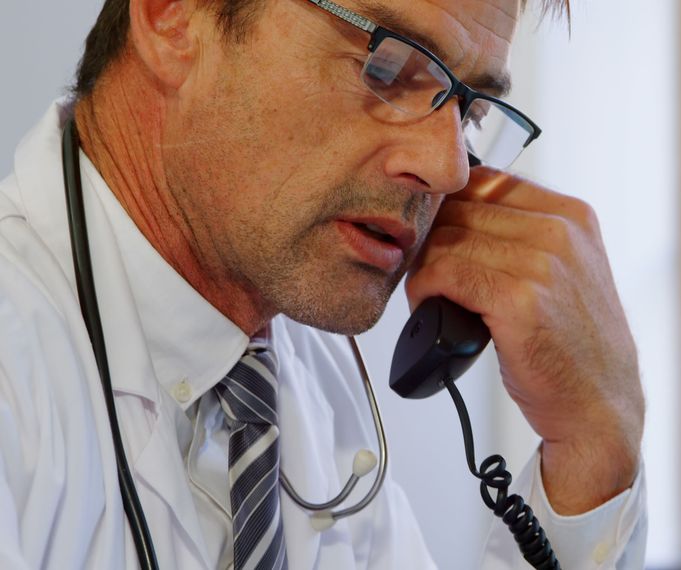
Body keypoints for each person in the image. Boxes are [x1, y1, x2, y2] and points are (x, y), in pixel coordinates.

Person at [0, 0, 647, 567]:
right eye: (388, 65)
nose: (449, 169)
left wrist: (592, 453)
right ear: (173, 15)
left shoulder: (312, 381)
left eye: (469, 115)